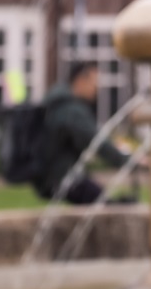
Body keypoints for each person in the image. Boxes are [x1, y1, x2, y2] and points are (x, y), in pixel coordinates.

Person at [32, 61, 132, 204]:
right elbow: (96, 142)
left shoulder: (58, 102)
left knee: (102, 203)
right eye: (94, 82)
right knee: (107, 206)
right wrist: (127, 161)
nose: (96, 88)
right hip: (61, 176)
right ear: (80, 80)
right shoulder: (71, 110)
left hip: (53, 175)